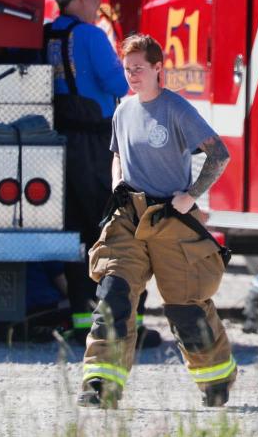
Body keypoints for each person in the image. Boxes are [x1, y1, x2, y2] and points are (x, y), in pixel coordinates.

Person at [78, 34, 235, 409]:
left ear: (157, 70)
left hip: (171, 219)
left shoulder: (176, 109)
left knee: (186, 307)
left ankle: (216, 379)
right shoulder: (122, 110)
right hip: (128, 217)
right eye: (127, 69)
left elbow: (220, 155)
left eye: (139, 68)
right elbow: (117, 153)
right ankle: (101, 382)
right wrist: (117, 180)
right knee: (113, 295)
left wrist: (191, 195)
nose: (132, 75)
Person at [45, 0, 129, 333]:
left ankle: (82, 316)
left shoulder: (48, 34)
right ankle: (112, 322)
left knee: (76, 235)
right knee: (109, 231)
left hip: (61, 143)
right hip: (95, 144)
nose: (100, 0)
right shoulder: (92, 36)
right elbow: (119, 83)